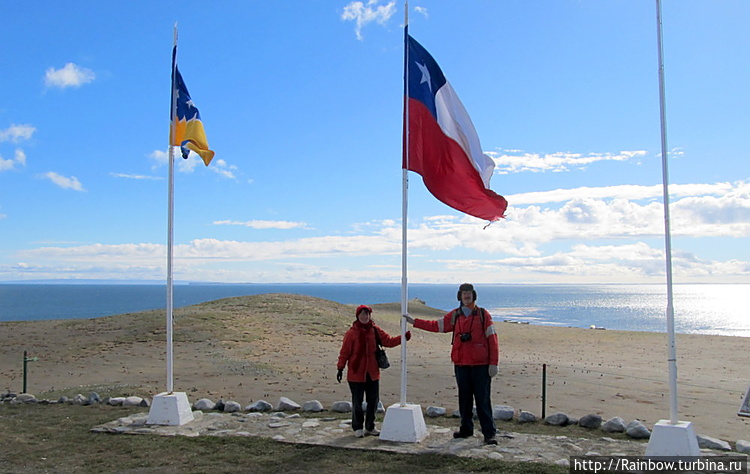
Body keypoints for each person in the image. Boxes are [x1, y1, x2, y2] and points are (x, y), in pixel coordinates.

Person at [403, 283, 499, 445]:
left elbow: (493, 340)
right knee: (464, 399)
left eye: (469, 293)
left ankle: (489, 433)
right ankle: (466, 429)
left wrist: (493, 363)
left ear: (473, 295)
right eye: (463, 293)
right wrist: (415, 322)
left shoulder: (484, 315)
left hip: (481, 366)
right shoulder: (455, 315)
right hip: (461, 365)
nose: (466, 296)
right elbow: (436, 326)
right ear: (459, 296)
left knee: (483, 401)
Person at [336, 304, 411, 438]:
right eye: (362, 314)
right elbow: (345, 352)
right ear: (358, 316)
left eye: (367, 314)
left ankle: (370, 426)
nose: (365, 316)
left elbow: (388, 341)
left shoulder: (375, 330)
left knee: (373, 401)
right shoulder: (351, 333)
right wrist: (340, 368)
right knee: (357, 402)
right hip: (356, 373)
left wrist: (403, 338)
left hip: (372, 373)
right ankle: (357, 427)